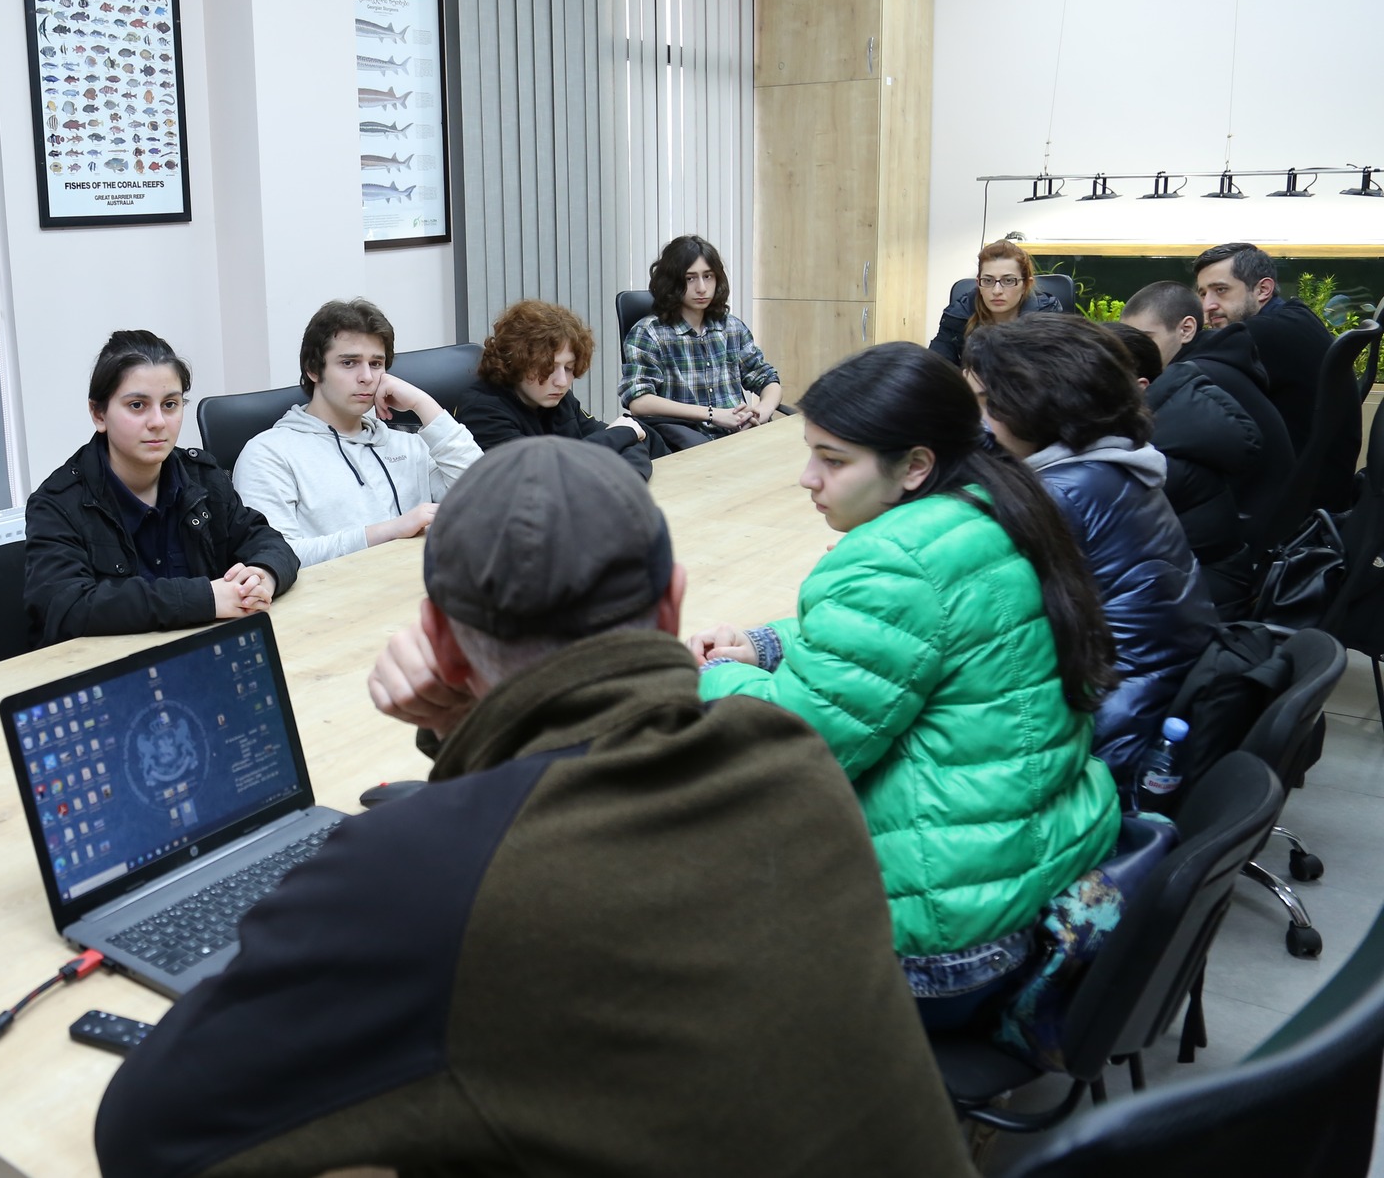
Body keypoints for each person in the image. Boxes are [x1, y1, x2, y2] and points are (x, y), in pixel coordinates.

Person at [94, 438, 974, 1178]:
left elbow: (146, 1133)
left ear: (442, 645)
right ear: (673, 603)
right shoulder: (789, 758)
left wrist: (456, 735)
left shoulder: (421, 872)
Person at [685, 343, 1120, 1026]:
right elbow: (910, 640)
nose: (807, 479)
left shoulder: (894, 560)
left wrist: (716, 674)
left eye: (833, 460)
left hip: (939, 948)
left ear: (916, 465)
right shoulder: (988, 510)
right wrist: (768, 644)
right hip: (1026, 873)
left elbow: (787, 750)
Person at [963, 315, 1218, 778]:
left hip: (1102, 743)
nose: (978, 421)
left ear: (1036, 403)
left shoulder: (1062, 495)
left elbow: (964, 620)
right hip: (1146, 707)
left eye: (985, 403)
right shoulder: (1113, 465)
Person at [25, 331, 299, 650]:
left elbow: (268, 541)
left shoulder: (202, 476)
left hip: (205, 654)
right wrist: (205, 599)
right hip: (113, 667)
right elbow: (66, 608)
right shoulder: (57, 503)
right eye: (137, 405)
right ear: (99, 414)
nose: (158, 422)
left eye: (170, 404)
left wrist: (261, 576)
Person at [232, 298, 482, 567]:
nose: (367, 377)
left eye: (376, 363)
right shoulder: (268, 453)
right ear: (313, 369)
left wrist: (423, 404)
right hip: (336, 593)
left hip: (421, 585)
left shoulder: (410, 445)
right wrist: (389, 531)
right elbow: (274, 559)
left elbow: (486, 500)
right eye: (349, 363)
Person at [1104, 322, 1264, 615]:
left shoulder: (1154, 458)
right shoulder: (1167, 427)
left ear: (1138, 388)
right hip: (1200, 596)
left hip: (1202, 611)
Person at [1123, 278, 1294, 542]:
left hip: (1251, 535)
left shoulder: (1195, 383)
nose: (1132, 354)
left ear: (1186, 329)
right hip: (1269, 520)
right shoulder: (1219, 363)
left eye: (1146, 339)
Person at [1195, 241, 1354, 510]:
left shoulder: (1263, 333)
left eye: (1220, 290)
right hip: (1318, 494)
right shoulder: (1295, 315)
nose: (1208, 305)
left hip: (1292, 508)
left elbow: (1182, 376)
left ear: (1263, 289)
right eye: (1202, 294)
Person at [455, 298, 653, 477]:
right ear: (514, 362)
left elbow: (628, 446)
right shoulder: (481, 411)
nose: (562, 381)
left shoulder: (557, 398)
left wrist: (620, 439)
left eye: (569, 368)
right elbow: (542, 473)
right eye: (548, 368)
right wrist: (622, 433)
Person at [619, 234, 782, 445]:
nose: (702, 288)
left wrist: (761, 412)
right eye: (690, 278)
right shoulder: (649, 332)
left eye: (708, 276)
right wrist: (713, 414)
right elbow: (639, 401)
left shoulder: (731, 327)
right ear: (672, 282)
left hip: (740, 438)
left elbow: (767, 379)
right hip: (684, 444)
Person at [928, 238, 1065, 364]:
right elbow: (935, 370)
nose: (997, 291)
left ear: (1025, 285)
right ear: (978, 283)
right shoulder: (958, 315)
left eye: (1008, 280)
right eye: (988, 280)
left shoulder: (1046, 319)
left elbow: (1059, 373)